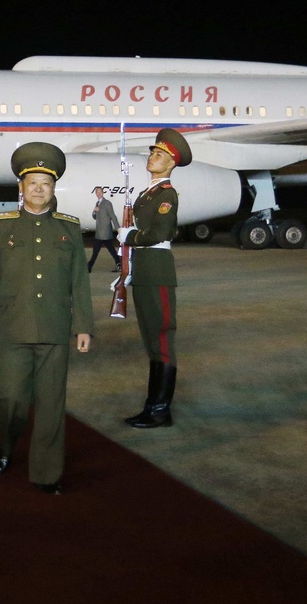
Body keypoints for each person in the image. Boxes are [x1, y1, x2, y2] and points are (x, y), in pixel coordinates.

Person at [0, 142, 93, 495]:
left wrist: (84, 325)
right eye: (33, 183)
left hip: (55, 328)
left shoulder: (69, 229)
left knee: (52, 405)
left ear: (54, 189)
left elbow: (79, 282)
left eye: (46, 183)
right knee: (10, 399)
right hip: (14, 328)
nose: (39, 189)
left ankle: (46, 473)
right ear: (21, 188)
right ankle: (8, 443)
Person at [118, 128, 192, 429]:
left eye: (160, 155)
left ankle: (160, 409)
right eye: (152, 152)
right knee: (151, 340)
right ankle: (152, 405)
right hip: (144, 271)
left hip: (158, 271)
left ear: (171, 163)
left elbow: (161, 233)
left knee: (161, 338)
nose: (153, 156)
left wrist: (131, 236)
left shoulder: (166, 194)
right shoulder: (148, 193)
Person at [88, 186, 121, 272]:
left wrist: (118, 228)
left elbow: (112, 216)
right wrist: (94, 211)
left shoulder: (107, 203)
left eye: (99, 192)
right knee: (106, 249)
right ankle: (119, 263)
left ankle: (89, 266)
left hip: (105, 232)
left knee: (101, 250)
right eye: (97, 192)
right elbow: (95, 217)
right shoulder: (97, 203)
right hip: (99, 232)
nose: (98, 194)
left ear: (103, 193)